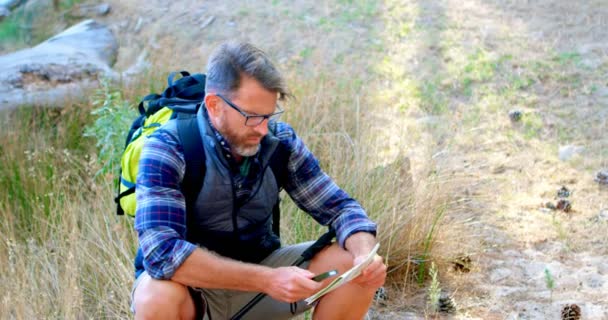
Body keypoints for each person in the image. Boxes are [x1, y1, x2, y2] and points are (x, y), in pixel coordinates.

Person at [131, 41, 387, 320]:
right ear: (215, 105)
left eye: (268, 115)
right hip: (194, 292)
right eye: (252, 117)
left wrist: (364, 254)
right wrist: (267, 279)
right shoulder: (169, 146)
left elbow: (342, 209)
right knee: (154, 296)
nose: (263, 129)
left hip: (261, 284)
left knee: (351, 264)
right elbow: (162, 253)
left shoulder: (280, 141)